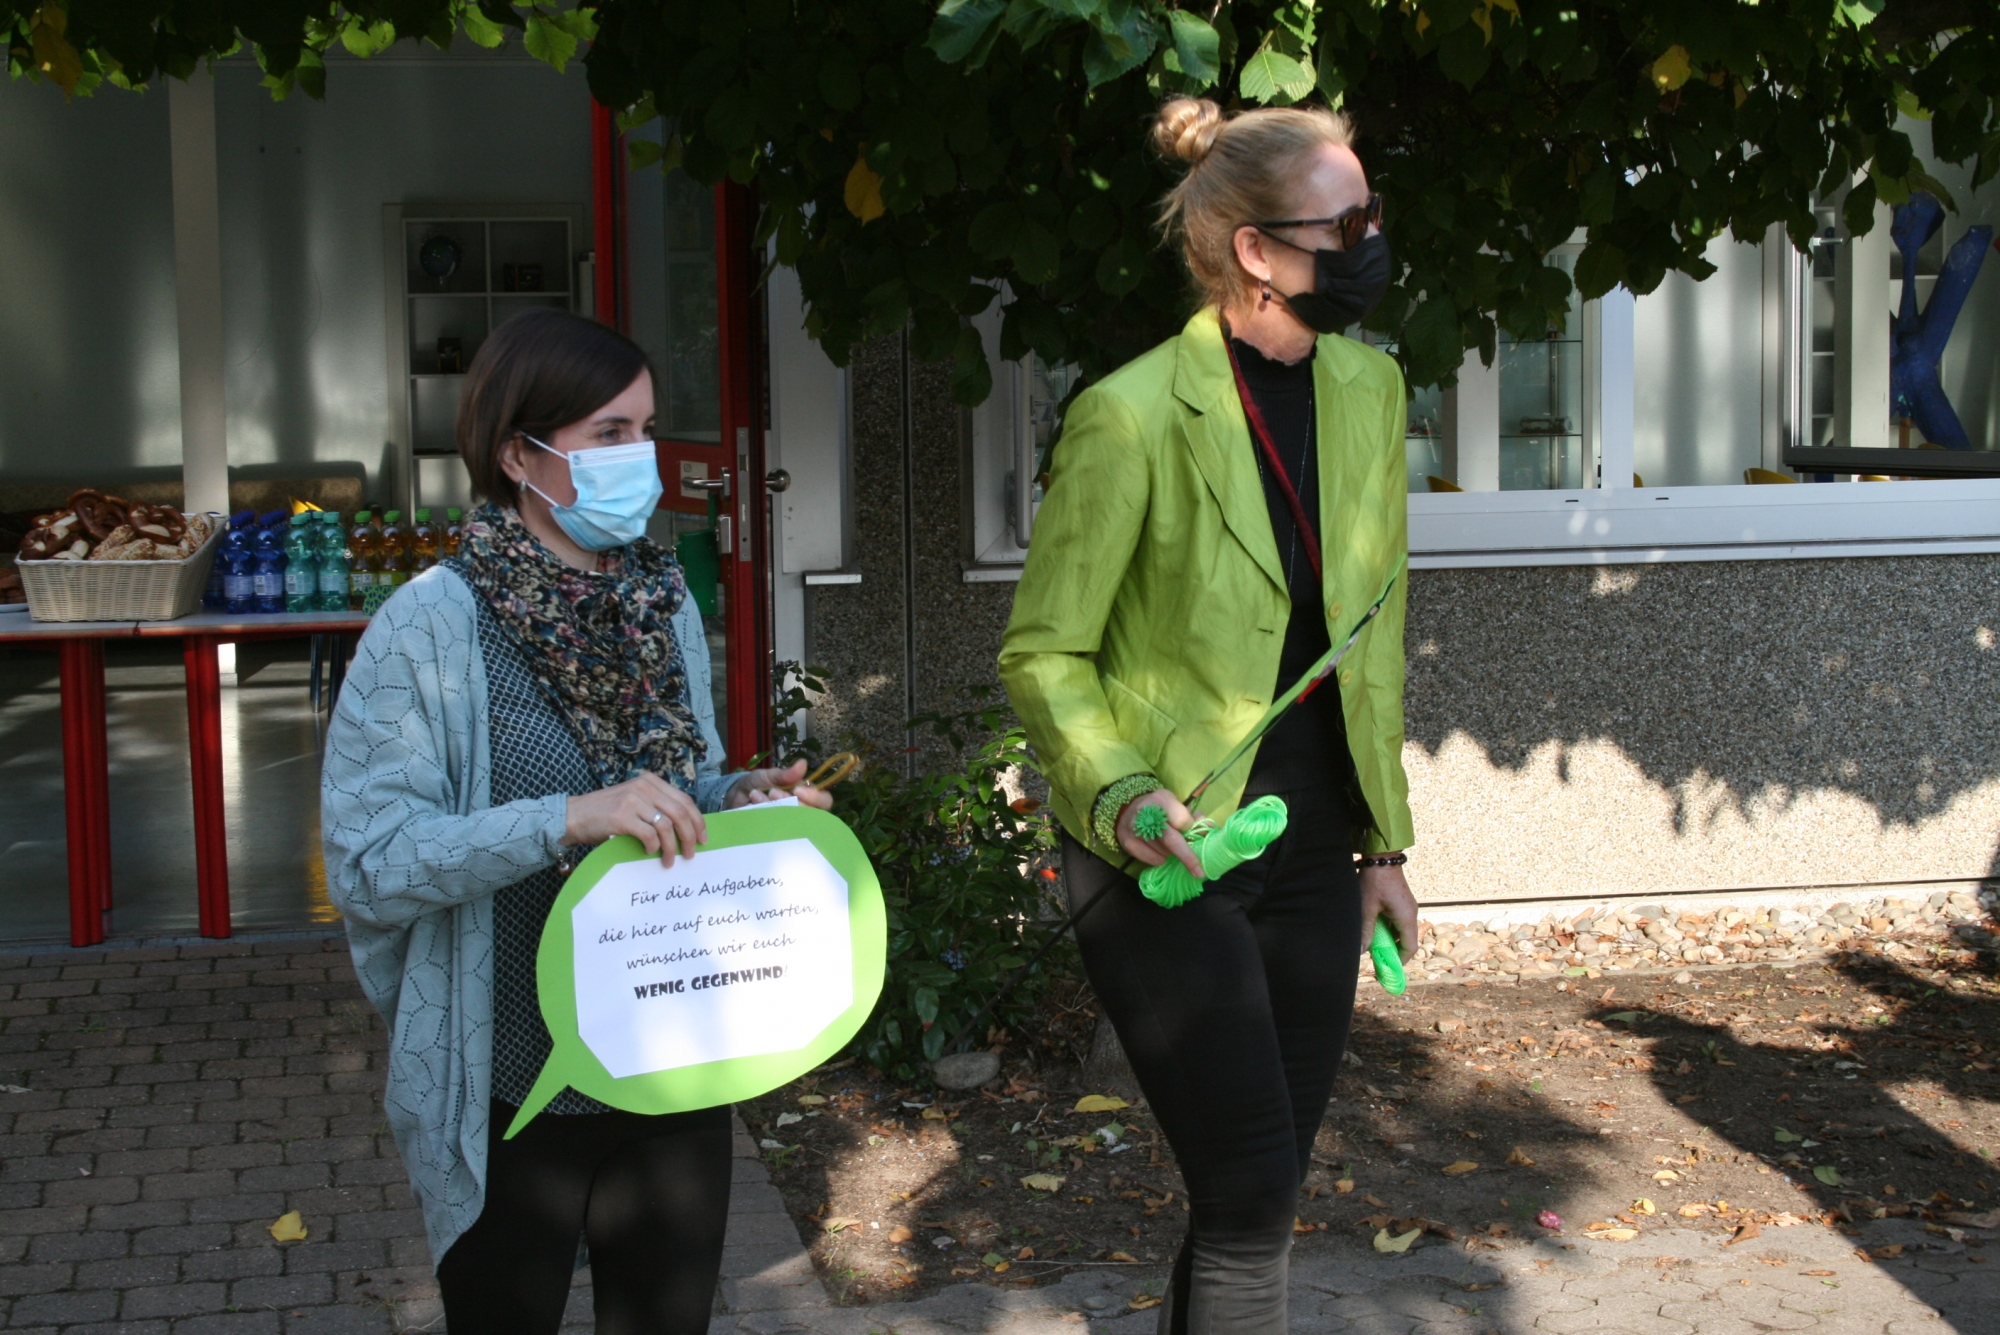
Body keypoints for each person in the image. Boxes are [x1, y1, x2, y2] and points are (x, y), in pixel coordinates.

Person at [998, 98, 1421, 1335]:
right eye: (1342, 225)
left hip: (1312, 848)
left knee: (1261, 1189)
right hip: (1164, 849)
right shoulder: (1128, 413)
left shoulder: (1369, 390)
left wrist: (1382, 846)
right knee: (1245, 1191)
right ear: (1253, 251)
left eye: (1370, 215)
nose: (1368, 242)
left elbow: (1370, 633)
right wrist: (1122, 794)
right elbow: (1043, 650)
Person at [321, 307, 829, 1335]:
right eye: (608, 434)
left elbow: (685, 784)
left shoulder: (657, 600)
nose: (641, 457)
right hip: (512, 1083)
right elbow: (372, 864)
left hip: (670, 1061)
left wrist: (740, 800)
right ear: (518, 454)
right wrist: (564, 819)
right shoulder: (430, 625)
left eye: (645, 428)